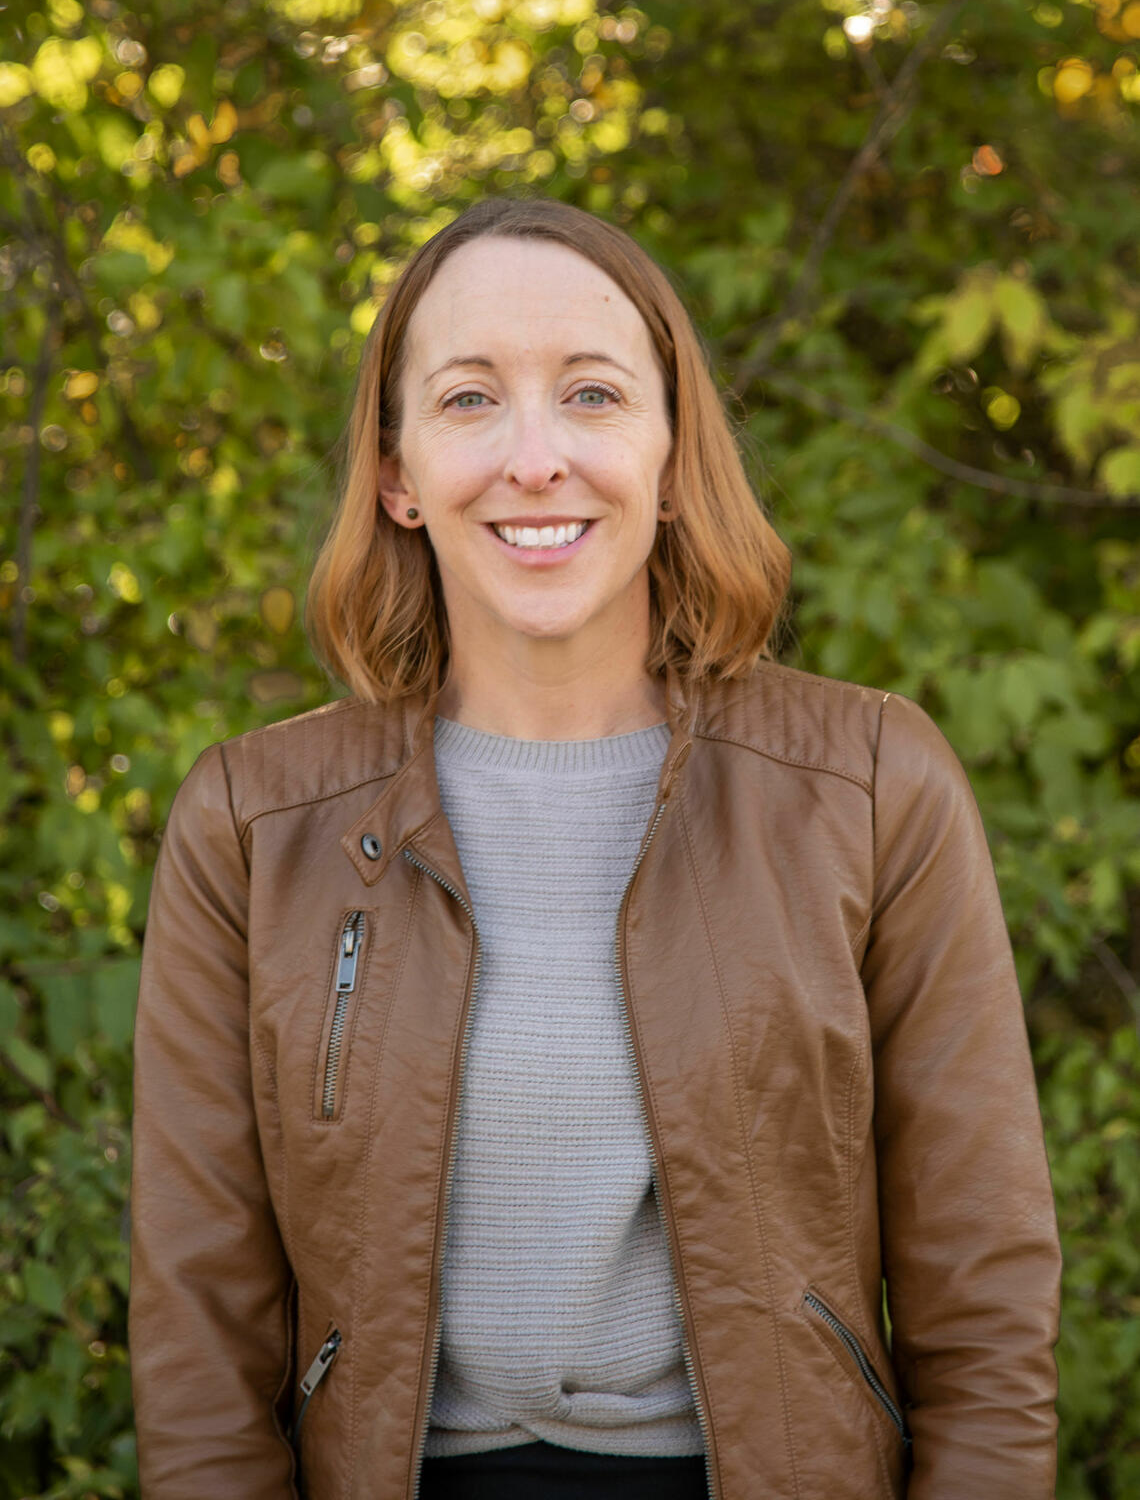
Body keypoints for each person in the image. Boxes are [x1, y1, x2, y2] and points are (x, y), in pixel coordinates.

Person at [128, 196, 1062, 1500]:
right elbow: (198, 1315)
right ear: (396, 473)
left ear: (673, 456)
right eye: (468, 400)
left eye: (592, 394)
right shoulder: (252, 825)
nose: (535, 456)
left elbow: (988, 1295)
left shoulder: (866, 786)